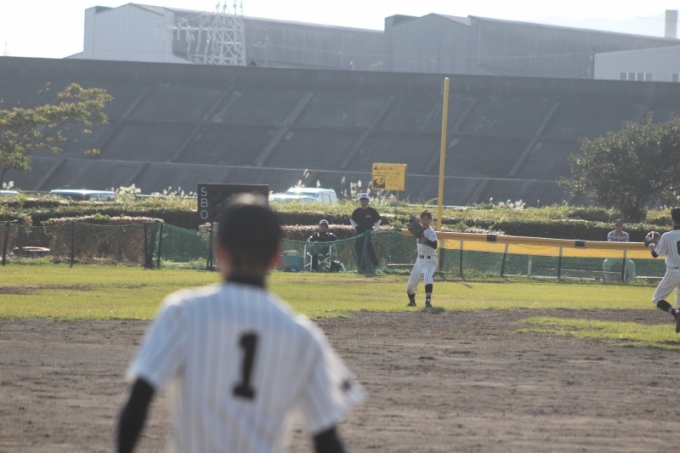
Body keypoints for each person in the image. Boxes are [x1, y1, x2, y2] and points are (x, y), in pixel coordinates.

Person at [117, 194, 364, 453]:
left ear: (220, 251)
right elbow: (327, 439)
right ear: (276, 259)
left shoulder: (183, 312)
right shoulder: (303, 336)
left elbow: (138, 401)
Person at [647, 207, 680, 333]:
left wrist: (650, 244)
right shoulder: (666, 236)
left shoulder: (667, 236)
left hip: (673, 271)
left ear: (672, 219)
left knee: (657, 298)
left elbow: (655, 254)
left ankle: (676, 314)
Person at [406, 210, 438, 308]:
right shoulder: (419, 229)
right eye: (423, 219)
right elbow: (412, 227)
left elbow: (435, 245)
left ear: (431, 221)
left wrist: (425, 238)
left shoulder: (431, 232)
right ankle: (412, 302)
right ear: (420, 220)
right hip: (419, 261)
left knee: (428, 277)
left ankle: (428, 301)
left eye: (427, 219)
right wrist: (412, 219)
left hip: (430, 260)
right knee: (410, 286)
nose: (425, 221)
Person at [350, 193, 381, 271]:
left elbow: (379, 220)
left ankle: (376, 267)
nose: (363, 201)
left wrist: (375, 229)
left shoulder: (372, 211)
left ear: (368, 201)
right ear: (360, 201)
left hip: (368, 233)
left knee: (371, 250)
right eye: (362, 199)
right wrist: (355, 227)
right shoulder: (357, 211)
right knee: (359, 250)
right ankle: (361, 268)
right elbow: (351, 219)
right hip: (359, 233)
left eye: (365, 199)